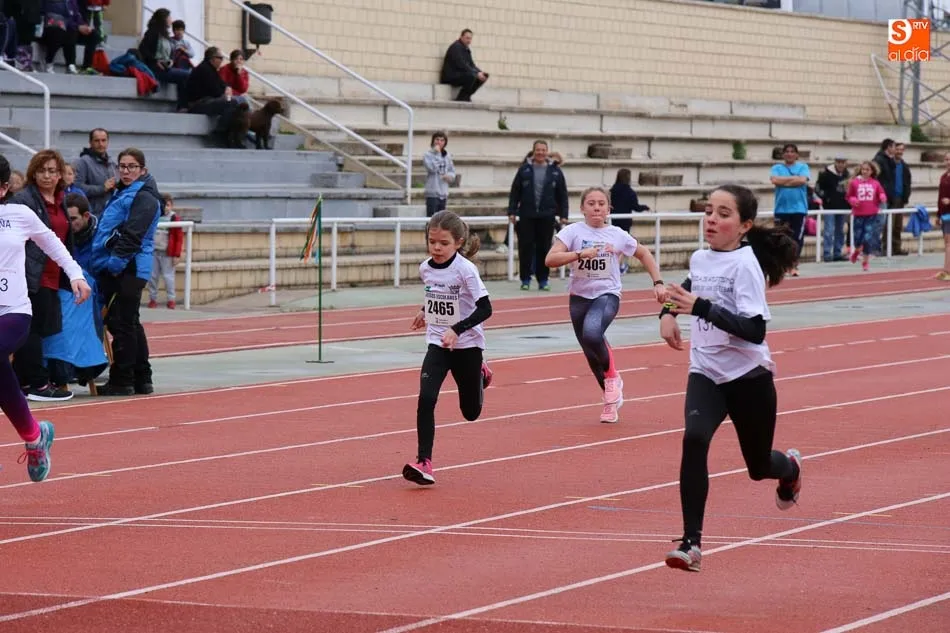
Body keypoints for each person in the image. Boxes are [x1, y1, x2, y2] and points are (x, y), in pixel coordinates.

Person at [658, 184, 803, 573]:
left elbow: (755, 331)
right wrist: (668, 313)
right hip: (705, 370)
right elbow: (689, 288)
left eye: (723, 214)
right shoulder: (700, 258)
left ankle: (790, 469)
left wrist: (701, 308)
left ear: (744, 226)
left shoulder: (746, 266)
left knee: (758, 466)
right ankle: (691, 544)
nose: (711, 220)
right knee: (694, 438)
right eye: (709, 211)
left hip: (748, 377)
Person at [0, 153, 91, 482]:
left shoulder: (19, 214)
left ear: (3, 188)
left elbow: (52, 242)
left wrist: (76, 274)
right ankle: (35, 436)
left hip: (13, 311)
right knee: (2, 376)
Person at [544, 186, 666, 423]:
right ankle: (610, 402)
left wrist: (658, 282)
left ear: (609, 208)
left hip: (607, 294)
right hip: (579, 297)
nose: (596, 208)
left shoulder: (617, 234)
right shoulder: (572, 232)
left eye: (601, 203)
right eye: (591, 203)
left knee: (592, 333)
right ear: (582, 208)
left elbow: (644, 254)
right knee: (591, 353)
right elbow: (550, 259)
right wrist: (579, 254)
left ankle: (612, 377)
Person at [403, 210, 493, 486]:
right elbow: (436, 293)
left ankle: (481, 372)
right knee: (426, 398)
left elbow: (486, 309)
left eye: (443, 243)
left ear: (458, 242)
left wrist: (457, 329)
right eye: (432, 242)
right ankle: (424, 462)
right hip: (438, 343)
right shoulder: (425, 268)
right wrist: (424, 311)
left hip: (467, 346)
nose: (437, 248)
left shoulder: (466, 270)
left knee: (470, 412)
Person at [87, 148, 161, 396]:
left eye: (132, 167)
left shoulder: (144, 197)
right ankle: (141, 377)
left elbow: (133, 234)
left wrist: (115, 264)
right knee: (130, 322)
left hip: (128, 267)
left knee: (122, 324)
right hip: (123, 265)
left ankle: (122, 379)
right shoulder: (125, 192)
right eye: (122, 166)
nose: (126, 171)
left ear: (143, 170)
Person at [846, 161, 888, 272]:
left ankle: (865, 261)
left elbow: (881, 193)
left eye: (867, 170)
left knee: (868, 238)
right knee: (857, 237)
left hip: (871, 215)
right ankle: (856, 251)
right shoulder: (854, 182)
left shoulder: (875, 183)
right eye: (863, 169)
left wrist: (882, 196)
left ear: (872, 171)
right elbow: (849, 196)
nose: (865, 171)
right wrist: (852, 200)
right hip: (859, 215)